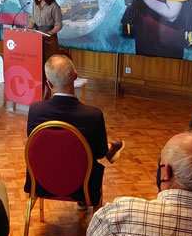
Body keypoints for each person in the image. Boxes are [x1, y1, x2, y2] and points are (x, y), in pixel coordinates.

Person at [26, 55, 122, 206]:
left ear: (49, 83)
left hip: (41, 184)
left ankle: (110, 147)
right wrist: (105, 150)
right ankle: (110, 148)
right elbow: (98, 154)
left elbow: (36, 144)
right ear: (75, 76)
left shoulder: (35, 110)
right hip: (83, 187)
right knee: (96, 150)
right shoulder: (93, 115)